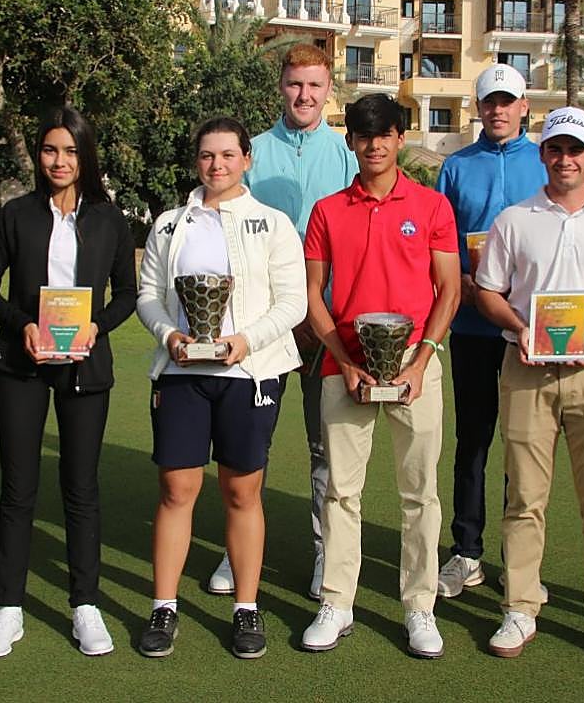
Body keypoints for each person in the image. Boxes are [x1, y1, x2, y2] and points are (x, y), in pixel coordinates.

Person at [474, 106, 584, 667]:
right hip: (527, 369)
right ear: (544, 153)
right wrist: (519, 326)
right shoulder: (514, 219)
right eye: (555, 148)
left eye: (576, 149)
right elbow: (488, 291)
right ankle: (520, 605)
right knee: (524, 498)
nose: (565, 159)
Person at [136, 117, 306, 659]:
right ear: (196, 162)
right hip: (183, 374)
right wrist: (170, 334)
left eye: (228, 155)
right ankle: (164, 607)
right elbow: (148, 296)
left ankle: (246, 609)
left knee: (241, 492)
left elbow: (293, 302)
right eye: (207, 156)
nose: (217, 165)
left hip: (248, 375)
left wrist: (245, 340)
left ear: (247, 160)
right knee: (176, 492)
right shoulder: (168, 224)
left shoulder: (273, 224)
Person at [299, 94, 459, 658]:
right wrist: (342, 361)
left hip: (415, 363)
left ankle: (419, 607)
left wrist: (421, 360)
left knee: (420, 493)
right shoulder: (326, 210)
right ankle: (337, 602)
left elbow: (449, 290)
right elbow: (313, 295)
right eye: (364, 135)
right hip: (345, 364)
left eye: (385, 134)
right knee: (341, 491)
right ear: (352, 142)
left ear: (398, 138)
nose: (375, 144)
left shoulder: (433, 206)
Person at [0, 107, 138, 658]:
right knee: (18, 489)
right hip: (23, 365)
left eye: (70, 151)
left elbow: (127, 295)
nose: (59, 161)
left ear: (85, 155)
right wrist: (20, 323)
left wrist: (96, 324)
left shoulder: (109, 218)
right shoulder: (16, 215)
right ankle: (9, 607)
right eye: (49, 150)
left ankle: (84, 603)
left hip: (85, 366)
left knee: (81, 488)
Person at [202, 43, 357, 600]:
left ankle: (323, 555)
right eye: (295, 84)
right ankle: (235, 551)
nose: (304, 96)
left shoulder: (344, 154)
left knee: (323, 447)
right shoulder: (253, 153)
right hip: (257, 325)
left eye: (315, 86)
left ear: (328, 89)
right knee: (247, 446)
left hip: (322, 323)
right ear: (282, 86)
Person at [434, 63, 548, 598]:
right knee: (474, 441)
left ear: (524, 106)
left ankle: (520, 561)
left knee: (524, 445)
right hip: (475, 330)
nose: (498, 110)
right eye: (489, 102)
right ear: (477, 108)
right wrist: (462, 278)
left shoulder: (547, 161)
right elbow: (444, 244)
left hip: (533, 330)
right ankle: (467, 551)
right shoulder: (456, 166)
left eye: (507, 101)